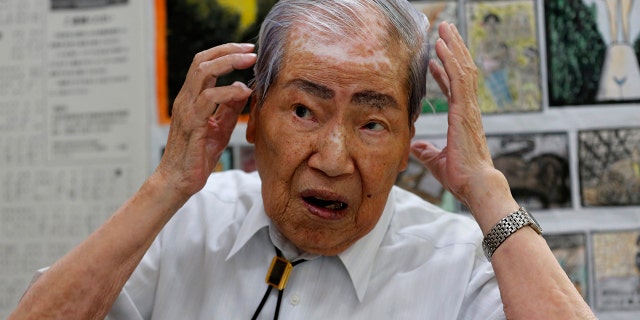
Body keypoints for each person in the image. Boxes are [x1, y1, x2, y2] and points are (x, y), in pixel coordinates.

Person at [11, 0, 595, 319]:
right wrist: (166, 185)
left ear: (407, 139)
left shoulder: (459, 264)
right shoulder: (187, 223)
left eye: (372, 122)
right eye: (303, 112)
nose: (333, 159)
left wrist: (487, 189)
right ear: (254, 112)